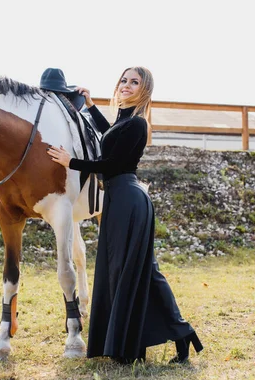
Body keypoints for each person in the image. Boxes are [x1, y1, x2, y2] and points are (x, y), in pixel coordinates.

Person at [46, 66, 203, 364]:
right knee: (140, 272)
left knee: (134, 270)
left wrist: (72, 162)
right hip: (120, 200)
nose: (126, 85)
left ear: (144, 90)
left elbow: (111, 163)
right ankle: (177, 335)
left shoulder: (138, 124)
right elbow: (109, 135)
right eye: (124, 80)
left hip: (128, 201)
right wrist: (91, 106)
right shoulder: (125, 121)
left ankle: (154, 340)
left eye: (134, 82)